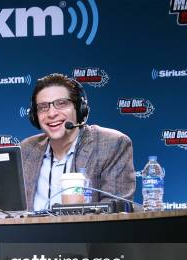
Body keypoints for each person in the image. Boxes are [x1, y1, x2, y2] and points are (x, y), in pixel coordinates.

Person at [21, 73, 135, 210]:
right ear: (34, 116)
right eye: (43, 107)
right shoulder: (26, 150)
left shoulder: (112, 144)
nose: (51, 114)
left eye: (61, 103)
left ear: (80, 109)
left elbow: (116, 211)